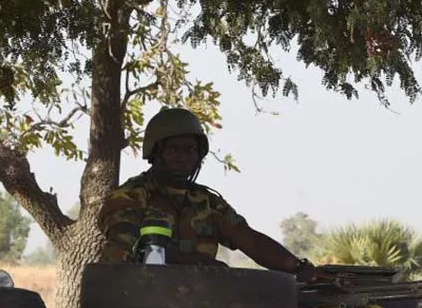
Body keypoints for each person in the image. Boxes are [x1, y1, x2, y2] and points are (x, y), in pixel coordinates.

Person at [98, 107, 320, 282]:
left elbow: (249, 240)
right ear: (155, 153)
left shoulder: (206, 202)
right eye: (173, 149)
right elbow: (128, 252)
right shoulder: (129, 197)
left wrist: (297, 266)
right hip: (134, 301)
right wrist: (199, 263)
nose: (183, 157)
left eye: (190, 150)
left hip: (194, 303)